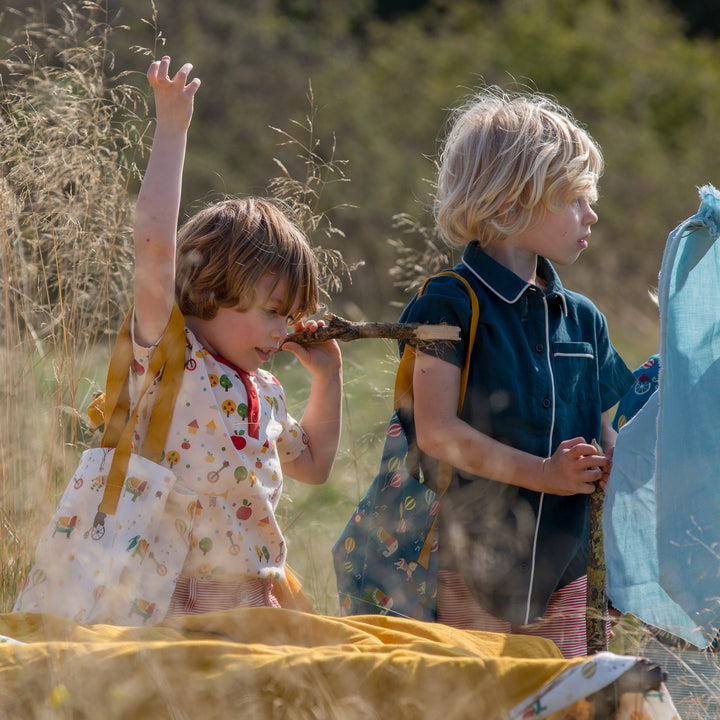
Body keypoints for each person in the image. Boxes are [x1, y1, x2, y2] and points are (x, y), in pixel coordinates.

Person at [398, 87, 635, 657]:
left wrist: (631, 456)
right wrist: (543, 474)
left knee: (562, 699)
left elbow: (605, 434)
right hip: (467, 561)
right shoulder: (447, 304)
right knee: (472, 698)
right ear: (508, 205)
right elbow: (435, 431)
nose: (592, 213)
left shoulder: (583, 317)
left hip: (566, 565)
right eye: (575, 198)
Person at [132, 57, 342, 615]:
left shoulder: (265, 390)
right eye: (274, 311)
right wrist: (173, 129)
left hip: (254, 601)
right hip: (171, 607)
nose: (284, 330)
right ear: (210, 283)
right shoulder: (169, 357)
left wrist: (329, 376)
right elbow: (154, 245)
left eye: (291, 315)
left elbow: (315, 464)